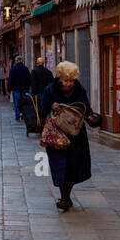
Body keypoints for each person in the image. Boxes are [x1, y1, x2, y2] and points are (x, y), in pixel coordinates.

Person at [38, 61, 101, 211]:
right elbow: (42, 110)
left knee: (72, 167)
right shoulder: (50, 90)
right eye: (66, 81)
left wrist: (93, 118)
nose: (69, 84)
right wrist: (50, 107)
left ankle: (66, 197)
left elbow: (86, 111)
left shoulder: (80, 91)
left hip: (75, 137)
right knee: (59, 166)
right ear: (60, 79)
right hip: (56, 136)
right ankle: (64, 197)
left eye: (71, 81)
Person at [7, 56, 31, 121]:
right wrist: (28, 88)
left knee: (16, 102)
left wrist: (9, 89)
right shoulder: (26, 69)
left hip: (16, 88)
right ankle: (24, 114)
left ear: (17, 61)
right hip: (24, 88)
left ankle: (17, 115)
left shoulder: (13, 68)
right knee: (24, 102)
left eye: (15, 60)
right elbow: (29, 79)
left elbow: (10, 79)